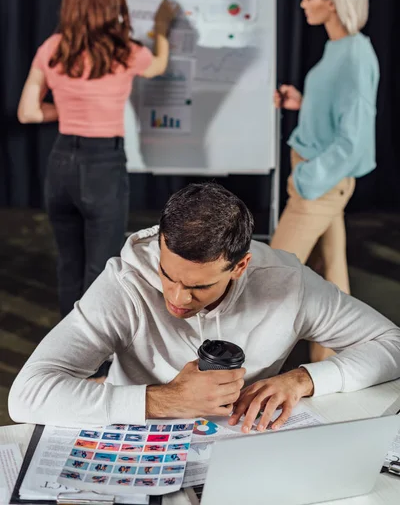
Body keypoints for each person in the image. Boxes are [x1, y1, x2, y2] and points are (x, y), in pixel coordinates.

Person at [8, 183, 400, 433]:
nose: (176, 298)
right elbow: (25, 396)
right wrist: (163, 399)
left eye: (198, 286)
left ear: (240, 266)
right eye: (167, 274)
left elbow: (393, 344)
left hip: (241, 443)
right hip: (135, 440)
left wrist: (303, 379)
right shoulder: (123, 282)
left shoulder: (287, 283)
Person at [17, 0, 176, 318]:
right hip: (103, 164)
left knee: (69, 264)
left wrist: (69, 110)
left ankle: (69, 356)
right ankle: (97, 367)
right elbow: (159, 65)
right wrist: (162, 27)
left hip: (60, 163)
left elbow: (28, 112)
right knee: (100, 271)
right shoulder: (124, 52)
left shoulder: (52, 48)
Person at [270, 0, 379, 362]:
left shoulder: (354, 57)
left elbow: (353, 142)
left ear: (331, 0)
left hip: (320, 183)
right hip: (317, 177)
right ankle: (337, 375)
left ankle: (243, 379)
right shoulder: (340, 49)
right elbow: (337, 113)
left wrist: (307, 181)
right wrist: (304, 102)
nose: (302, 2)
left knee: (271, 278)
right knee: (331, 284)